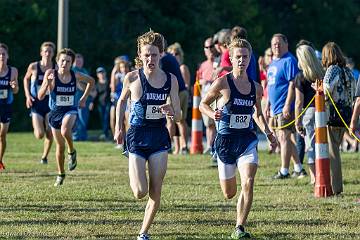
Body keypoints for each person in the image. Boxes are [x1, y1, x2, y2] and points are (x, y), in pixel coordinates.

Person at [199, 38, 277, 239]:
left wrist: (268, 133)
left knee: (248, 182)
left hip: (247, 140)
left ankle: (239, 227)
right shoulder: (222, 83)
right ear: (231, 59)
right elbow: (203, 105)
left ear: (250, 59)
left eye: (245, 57)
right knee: (229, 193)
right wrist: (212, 114)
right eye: (238, 57)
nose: (242, 60)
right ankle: (237, 220)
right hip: (225, 142)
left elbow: (257, 114)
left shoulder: (256, 88)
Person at [114, 30, 181, 240]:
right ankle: (134, 171)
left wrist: (172, 112)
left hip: (159, 137)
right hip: (136, 135)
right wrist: (119, 127)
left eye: (154, 54)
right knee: (139, 192)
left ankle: (143, 232)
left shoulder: (171, 80)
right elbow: (121, 101)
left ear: (161, 55)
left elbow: (179, 114)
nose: (150, 59)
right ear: (140, 55)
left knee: (155, 190)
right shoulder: (132, 77)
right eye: (146, 54)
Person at [38, 48, 94, 186]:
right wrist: (47, 83)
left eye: (68, 61)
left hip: (70, 110)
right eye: (62, 60)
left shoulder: (75, 75)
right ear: (57, 61)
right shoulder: (50, 74)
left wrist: (83, 99)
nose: (64, 63)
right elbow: (40, 96)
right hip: (55, 113)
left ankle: (72, 151)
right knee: (59, 147)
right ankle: (61, 173)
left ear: (72, 63)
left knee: (65, 130)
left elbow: (91, 81)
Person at [266, 33, 305, 179]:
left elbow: (292, 83)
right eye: (273, 43)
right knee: (285, 138)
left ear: (286, 44)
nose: (276, 45)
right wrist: (268, 104)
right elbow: (270, 86)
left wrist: (288, 104)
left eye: (279, 43)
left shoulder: (289, 60)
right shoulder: (273, 62)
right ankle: (299, 168)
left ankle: (284, 171)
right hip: (275, 106)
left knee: (284, 137)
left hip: (284, 106)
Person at [322, 42, 355, 195]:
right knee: (336, 150)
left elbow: (326, 89)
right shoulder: (348, 71)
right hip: (346, 115)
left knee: (333, 152)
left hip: (333, 115)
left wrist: (318, 89)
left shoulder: (332, 70)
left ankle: (336, 188)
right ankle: (335, 185)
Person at [294, 43, 325, 185]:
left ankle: (314, 177)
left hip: (309, 113)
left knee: (311, 146)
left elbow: (299, 102)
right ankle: (324, 174)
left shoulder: (300, 77)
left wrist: (297, 121)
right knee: (323, 145)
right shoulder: (322, 73)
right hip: (324, 110)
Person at [23, 41, 56, 164]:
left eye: (50, 51)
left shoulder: (55, 67)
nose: (47, 53)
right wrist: (27, 96)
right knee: (40, 134)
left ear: (53, 54)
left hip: (50, 102)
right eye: (45, 51)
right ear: (41, 52)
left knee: (50, 131)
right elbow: (26, 79)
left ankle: (44, 157)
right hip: (36, 103)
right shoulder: (34, 66)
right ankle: (38, 126)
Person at [160, 45, 189, 154]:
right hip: (183, 91)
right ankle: (184, 147)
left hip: (174, 92)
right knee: (181, 120)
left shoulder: (162, 58)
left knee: (170, 120)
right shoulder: (171, 57)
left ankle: (167, 145)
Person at [0, 43, 19, 171]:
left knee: (2, 135)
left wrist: (14, 86)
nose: (1, 56)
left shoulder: (13, 71)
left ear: (8, 56)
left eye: (3, 54)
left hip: (6, 106)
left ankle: (0, 160)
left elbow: (16, 90)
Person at [198, 37, 217, 154]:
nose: (209, 49)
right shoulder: (203, 65)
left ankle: (216, 147)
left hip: (217, 96)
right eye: (207, 47)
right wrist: (203, 81)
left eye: (211, 46)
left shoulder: (219, 61)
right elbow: (198, 80)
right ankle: (210, 146)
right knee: (208, 124)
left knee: (217, 122)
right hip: (205, 97)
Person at [72, 53, 94, 141]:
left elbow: (91, 83)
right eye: (77, 60)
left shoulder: (84, 70)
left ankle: (83, 136)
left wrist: (92, 96)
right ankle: (76, 136)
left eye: (80, 60)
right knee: (77, 118)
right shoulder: (73, 70)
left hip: (86, 99)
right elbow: (79, 85)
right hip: (76, 98)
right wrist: (91, 92)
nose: (79, 62)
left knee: (84, 118)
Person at [110, 58, 130, 148]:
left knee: (127, 122)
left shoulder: (131, 75)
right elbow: (113, 89)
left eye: (125, 67)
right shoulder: (118, 76)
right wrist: (113, 72)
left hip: (128, 101)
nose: (124, 69)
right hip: (118, 101)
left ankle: (128, 141)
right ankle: (119, 141)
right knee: (116, 120)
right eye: (122, 67)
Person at [95, 67, 111, 140]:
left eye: (102, 72)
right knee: (102, 119)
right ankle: (105, 133)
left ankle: (106, 134)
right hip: (100, 104)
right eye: (99, 73)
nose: (101, 74)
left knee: (106, 118)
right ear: (97, 75)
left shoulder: (109, 82)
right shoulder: (97, 84)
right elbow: (95, 95)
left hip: (108, 102)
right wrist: (91, 103)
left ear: (105, 73)